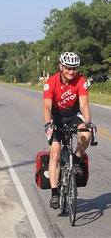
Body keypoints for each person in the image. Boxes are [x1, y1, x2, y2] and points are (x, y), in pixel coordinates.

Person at [43, 52, 95, 209]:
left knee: (86, 134)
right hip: (56, 118)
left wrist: (88, 122)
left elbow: (84, 104)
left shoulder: (81, 81)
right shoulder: (51, 82)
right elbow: (46, 107)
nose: (71, 71)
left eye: (74, 68)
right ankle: (54, 194)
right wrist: (48, 124)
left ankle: (76, 160)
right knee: (55, 154)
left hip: (73, 115)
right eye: (68, 68)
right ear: (61, 67)